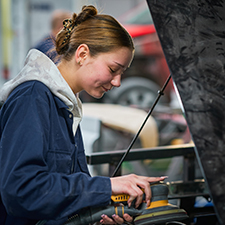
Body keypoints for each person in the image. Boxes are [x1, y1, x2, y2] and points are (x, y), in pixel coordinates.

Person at [0, 5, 167, 225]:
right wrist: (107, 186)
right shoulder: (33, 97)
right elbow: (22, 191)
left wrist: (98, 216)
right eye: (112, 69)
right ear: (82, 54)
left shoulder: (68, 105)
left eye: (121, 74)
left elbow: (65, 194)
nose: (117, 82)